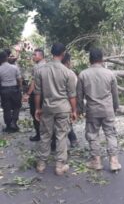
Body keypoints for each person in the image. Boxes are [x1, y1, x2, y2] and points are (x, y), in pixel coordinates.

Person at [34, 43, 77, 176]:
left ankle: (41, 164)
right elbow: (72, 95)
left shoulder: (41, 70)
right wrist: (74, 111)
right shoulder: (68, 72)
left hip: (47, 108)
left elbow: (37, 93)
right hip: (63, 109)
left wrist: (37, 108)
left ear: (51, 53)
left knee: (45, 135)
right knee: (61, 136)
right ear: (63, 54)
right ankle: (59, 166)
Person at [77, 48, 121, 171]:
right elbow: (115, 94)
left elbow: (79, 96)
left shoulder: (83, 74)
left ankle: (96, 161)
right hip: (107, 109)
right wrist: (115, 107)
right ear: (102, 59)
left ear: (90, 59)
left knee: (92, 134)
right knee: (111, 134)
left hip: (92, 110)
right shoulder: (110, 74)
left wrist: (79, 110)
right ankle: (114, 161)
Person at [23, 49, 46, 141]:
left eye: (34, 55)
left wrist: (28, 94)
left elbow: (33, 82)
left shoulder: (37, 67)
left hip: (37, 94)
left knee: (35, 113)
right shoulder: (48, 65)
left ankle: (39, 135)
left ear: (40, 56)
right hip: (47, 94)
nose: (33, 56)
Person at [0, 51, 22, 132]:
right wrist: (20, 89)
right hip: (14, 89)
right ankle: (14, 122)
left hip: (4, 90)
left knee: (7, 109)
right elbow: (19, 79)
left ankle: (8, 126)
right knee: (17, 106)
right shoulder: (14, 67)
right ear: (7, 58)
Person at [61, 52, 78, 148]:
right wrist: (74, 109)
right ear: (68, 61)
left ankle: (72, 139)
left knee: (63, 124)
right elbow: (74, 93)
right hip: (67, 103)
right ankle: (73, 139)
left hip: (54, 103)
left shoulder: (51, 70)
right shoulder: (70, 73)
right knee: (66, 122)